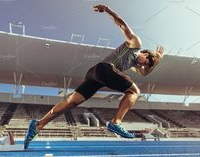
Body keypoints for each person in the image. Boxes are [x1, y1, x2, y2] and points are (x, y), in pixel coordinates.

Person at [24, 4, 164, 149]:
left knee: (72, 102)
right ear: (146, 54)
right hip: (104, 68)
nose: (144, 66)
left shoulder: (135, 65)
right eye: (147, 62)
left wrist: (158, 60)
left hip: (94, 75)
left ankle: (38, 124)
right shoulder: (135, 44)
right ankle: (116, 122)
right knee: (134, 91)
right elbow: (122, 25)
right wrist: (108, 10)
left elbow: (144, 73)